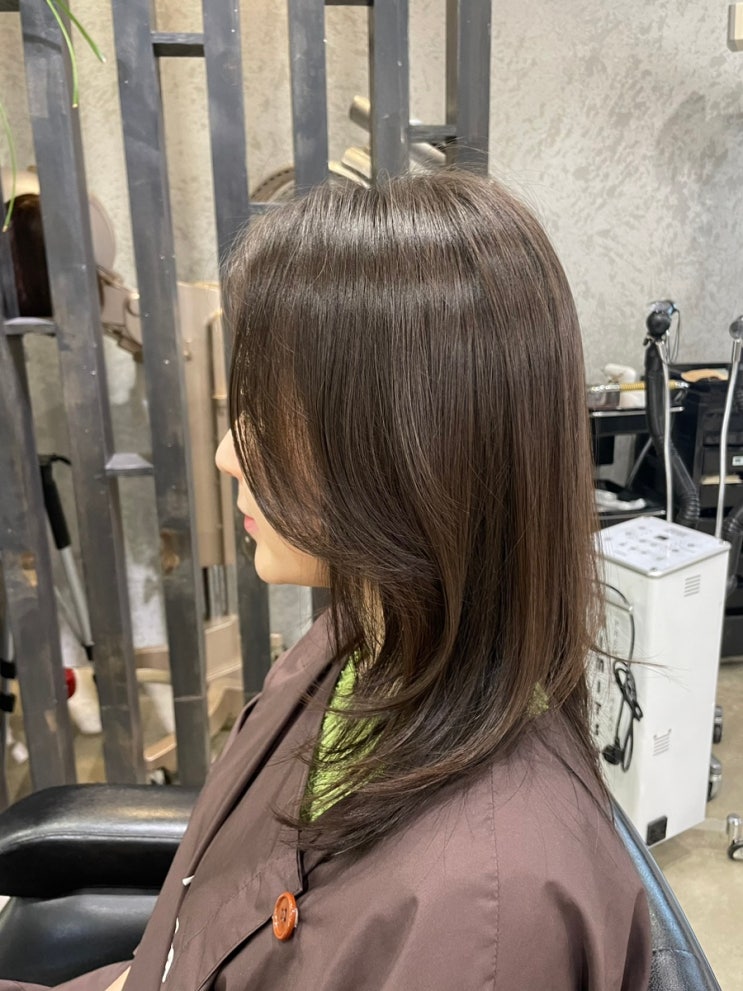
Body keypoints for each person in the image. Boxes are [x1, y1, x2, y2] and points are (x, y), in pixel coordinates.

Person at [0, 170, 651, 990]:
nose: (226, 455)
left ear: (407, 452)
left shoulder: (482, 920)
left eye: (268, 423)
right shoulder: (357, 639)